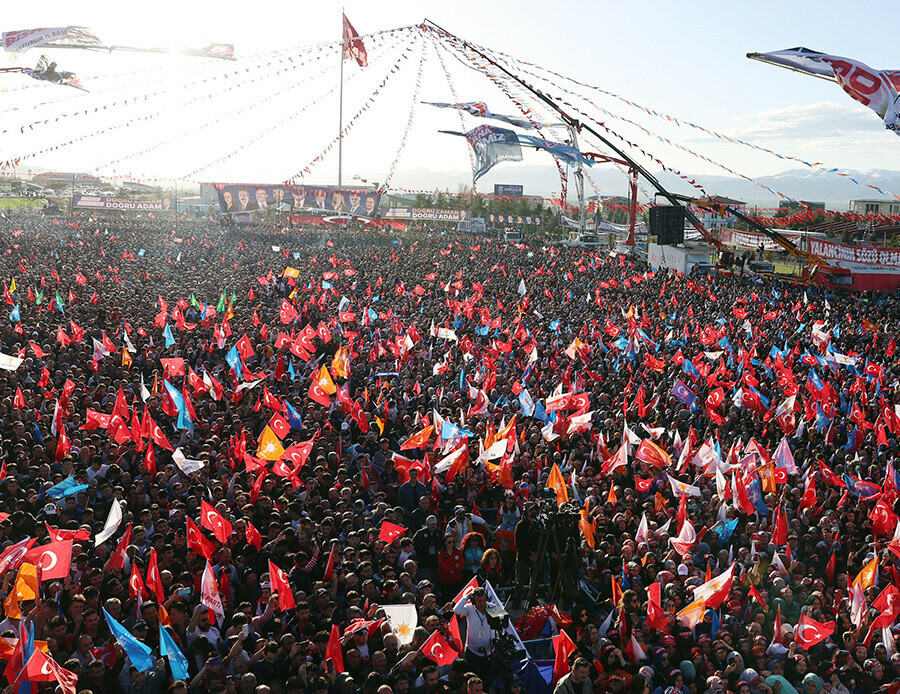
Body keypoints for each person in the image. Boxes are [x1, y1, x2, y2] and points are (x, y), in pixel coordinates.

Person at [452, 588, 494, 682]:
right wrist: (466, 597)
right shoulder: (469, 608)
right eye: (479, 601)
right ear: (474, 601)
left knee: (487, 680)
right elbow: (456, 610)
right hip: (473, 652)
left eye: (484, 600)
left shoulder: (493, 608)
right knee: (473, 680)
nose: (482, 603)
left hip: (489, 652)